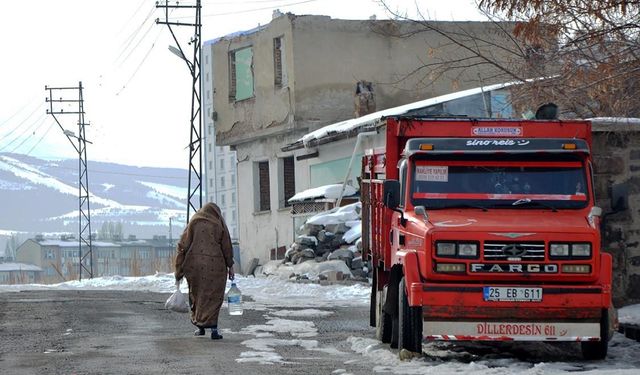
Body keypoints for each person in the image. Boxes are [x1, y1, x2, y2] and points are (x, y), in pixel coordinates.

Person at [175, 202, 235, 340]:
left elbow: (182, 245)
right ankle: (213, 329)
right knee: (213, 297)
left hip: (194, 266)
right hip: (215, 266)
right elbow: (226, 246)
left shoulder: (194, 222)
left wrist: (179, 270)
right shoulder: (218, 223)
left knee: (197, 295)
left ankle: (200, 326)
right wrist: (230, 265)